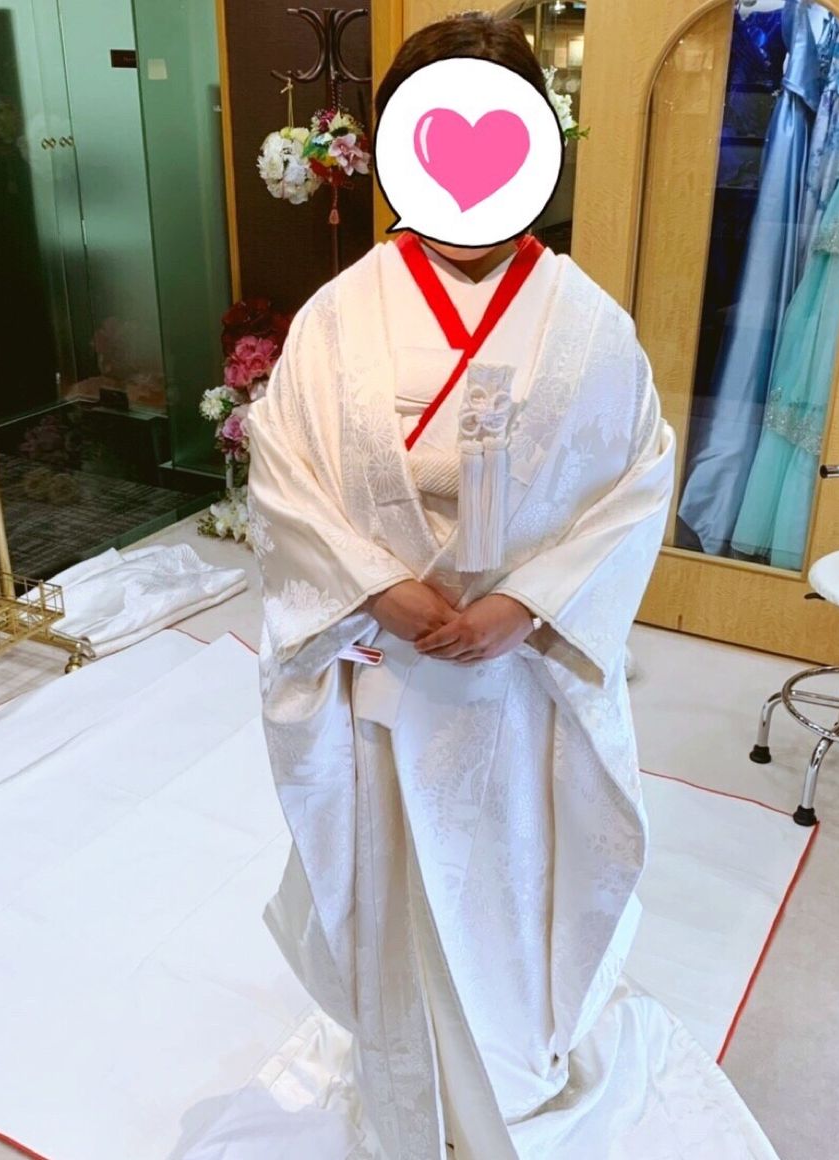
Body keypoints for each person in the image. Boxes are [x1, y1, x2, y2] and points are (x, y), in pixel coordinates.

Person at [245, 13, 778, 1158]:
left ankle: (512, 1063)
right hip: (389, 664)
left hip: (519, 672)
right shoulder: (340, 316)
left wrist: (527, 602)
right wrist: (375, 586)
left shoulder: (586, 324)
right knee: (402, 879)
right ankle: (416, 1070)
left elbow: (635, 482)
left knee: (513, 872)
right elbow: (285, 474)